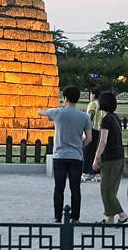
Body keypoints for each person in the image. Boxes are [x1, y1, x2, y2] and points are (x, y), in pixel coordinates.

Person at [39, 85, 92, 223]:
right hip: (76, 156)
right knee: (75, 189)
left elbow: (42, 113)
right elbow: (89, 138)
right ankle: (75, 217)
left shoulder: (58, 113)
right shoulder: (84, 116)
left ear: (65, 98)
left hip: (60, 156)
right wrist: (80, 146)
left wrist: (42, 111)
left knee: (59, 188)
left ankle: (58, 217)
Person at [92, 91, 128, 225]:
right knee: (111, 189)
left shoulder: (106, 120)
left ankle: (122, 215)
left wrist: (96, 158)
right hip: (118, 156)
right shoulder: (115, 117)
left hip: (111, 158)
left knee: (106, 190)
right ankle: (110, 219)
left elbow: (103, 141)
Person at [82, 88, 103, 182]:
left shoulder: (93, 103)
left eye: (91, 94)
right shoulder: (101, 104)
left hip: (92, 129)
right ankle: (97, 174)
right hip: (99, 130)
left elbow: (90, 115)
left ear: (93, 95)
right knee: (96, 151)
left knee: (87, 151)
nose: (90, 96)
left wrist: (85, 127)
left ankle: (86, 173)